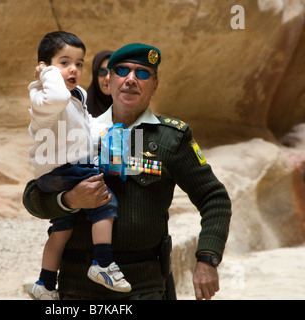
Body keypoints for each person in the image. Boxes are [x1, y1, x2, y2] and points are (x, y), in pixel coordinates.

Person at [23, 43, 232, 300]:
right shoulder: (77, 129)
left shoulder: (171, 138)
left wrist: (207, 259)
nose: (131, 80)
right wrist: (69, 200)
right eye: (122, 71)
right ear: (108, 81)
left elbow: (214, 198)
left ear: (155, 85)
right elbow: (34, 196)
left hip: (142, 287)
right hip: (76, 287)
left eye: (143, 73)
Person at [27, 31, 131, 300]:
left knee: (62, 228)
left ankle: (45, 283)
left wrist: (109, 132)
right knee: (104, 200)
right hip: (61, 169)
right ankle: (103, 263)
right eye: (64, 62)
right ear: (45, 66)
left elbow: (88, 126)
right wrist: (45, 74)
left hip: (65, 171)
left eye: (79, 63)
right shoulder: (44, 97)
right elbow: (58, 99)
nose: (74, 69)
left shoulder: (77, 96)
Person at [87, 50, 114, 117]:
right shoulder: (81, 107)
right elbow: (61, 126)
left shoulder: (129, 109)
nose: (108, 78)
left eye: (113, 72)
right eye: (102, 71)